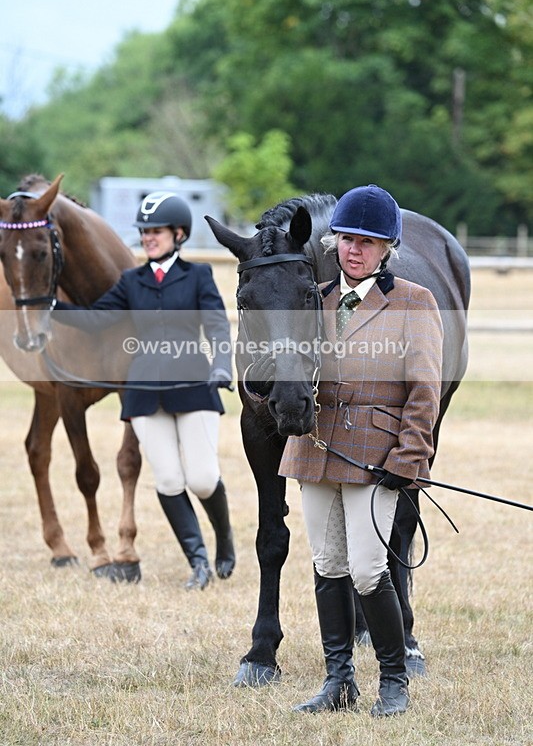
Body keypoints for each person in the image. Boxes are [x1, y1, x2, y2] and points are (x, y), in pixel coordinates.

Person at [277, 184, 443, 716]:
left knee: (370, 570)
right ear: (333, 242)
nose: (354, 249)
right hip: (316, 451)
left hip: (376, 458)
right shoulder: (315, 300)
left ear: (388, 248)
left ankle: (393, 681)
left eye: (368, 242)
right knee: (327, 565)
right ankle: (338, 680)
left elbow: (425, 392)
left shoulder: (414, 302)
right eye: (347, 238)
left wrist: (408, 458)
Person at [53, 191, 236, 591]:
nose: (148, 238)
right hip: (144, 395)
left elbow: (218, 325)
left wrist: (222, 362)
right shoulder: (130, 282)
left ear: (179, 234)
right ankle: (199, 562)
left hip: (193, 387)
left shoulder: (199, 276)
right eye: (144, 232)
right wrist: (51, 308)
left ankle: (224, 540)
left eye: (156, 231)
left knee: (203, 478)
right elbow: (98, 320)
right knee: (168, 480)